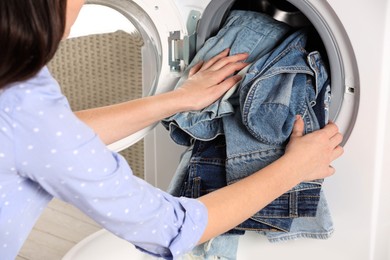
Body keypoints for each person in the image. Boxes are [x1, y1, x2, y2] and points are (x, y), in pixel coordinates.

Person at [0, 0, 344, 259]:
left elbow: (55, 134)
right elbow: (172, 229)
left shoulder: (20, 86)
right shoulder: (30, 109)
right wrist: (295, 168)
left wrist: (178, 99)